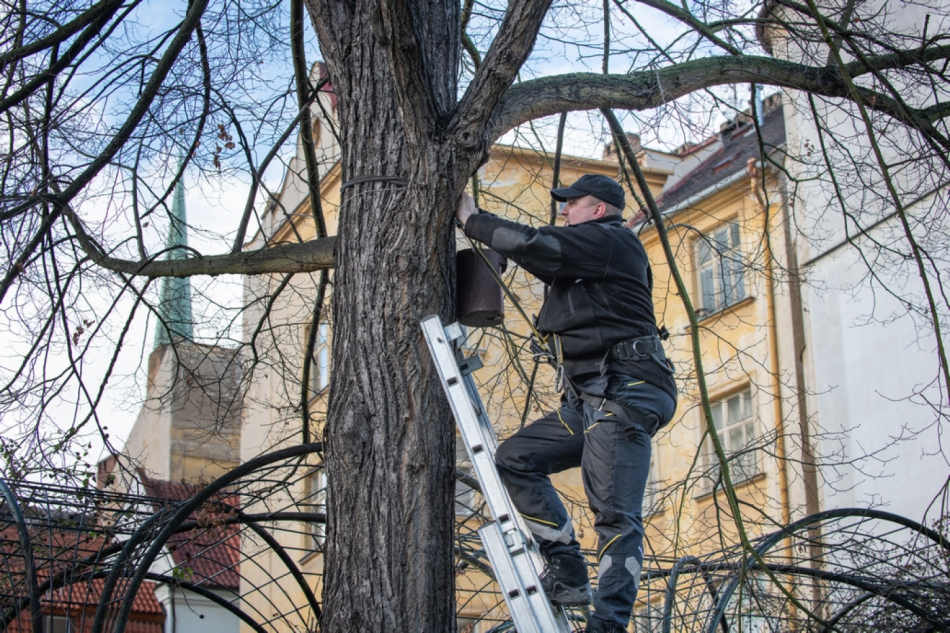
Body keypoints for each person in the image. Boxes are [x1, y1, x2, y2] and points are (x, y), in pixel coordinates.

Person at [455, 174, 677, 633]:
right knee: (515, 459)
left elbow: (538, 245)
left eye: (572, 204)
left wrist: (472, 219)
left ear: (598, 210)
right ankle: (567, 569)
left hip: (623, 393)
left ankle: (608, 625)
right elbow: (543, 254)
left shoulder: (611, 240)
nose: (563, 211)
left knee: (615, 517)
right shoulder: (592, 254)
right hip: (591, 397)